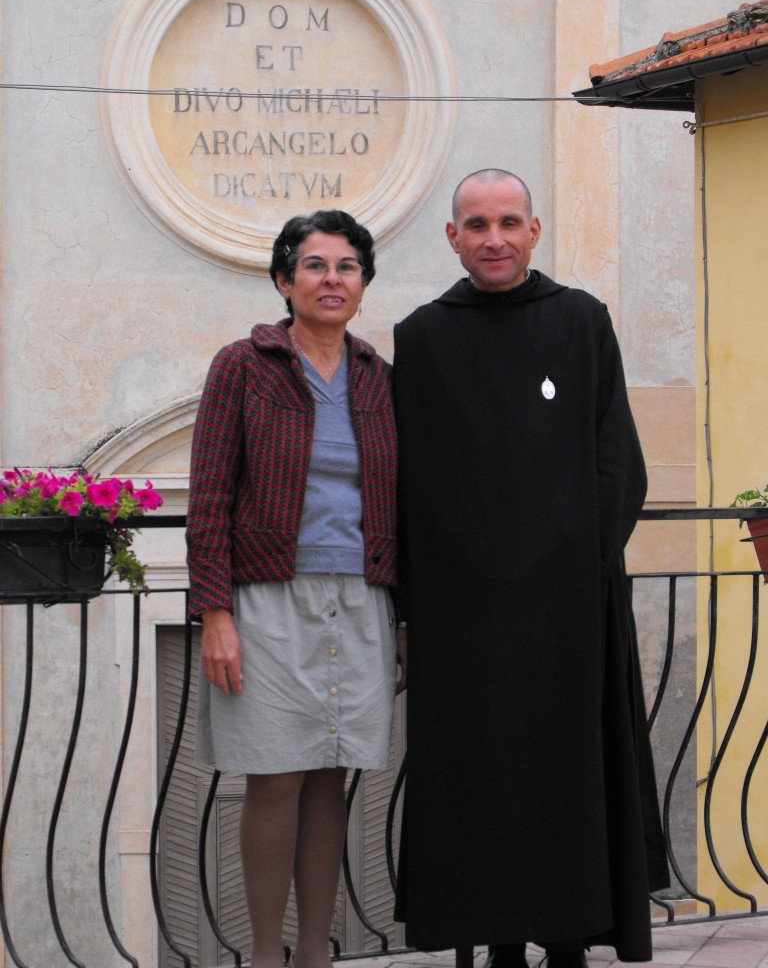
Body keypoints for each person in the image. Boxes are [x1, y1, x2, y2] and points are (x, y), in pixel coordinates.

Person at [392, 170, 669, 968]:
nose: (494, 238)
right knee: (479, 787)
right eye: (476, 224)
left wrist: (579, 566)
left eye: (509, 221)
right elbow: (410, 484)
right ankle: (496, 944)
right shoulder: (421, 338)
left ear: (535, 229)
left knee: (568, 781)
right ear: (453, 237)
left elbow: (619, 461)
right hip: (463, 618)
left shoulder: (582, 322)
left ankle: (572, 940)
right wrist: (416, 608)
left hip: (570, 608)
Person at [186, 209, 405, 968]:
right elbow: (209, 497)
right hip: (268, 598)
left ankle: (316, 953)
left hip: (361, 598)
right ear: (285, 281)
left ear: (364, 283)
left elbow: (403, 506)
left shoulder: (380, 377)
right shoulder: (242, 366)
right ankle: (263, 955)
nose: (331, 279)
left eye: (347, 266)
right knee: (275, 775)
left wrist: (404, 617)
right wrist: (215, 612)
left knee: (329, 777)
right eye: (314, 265)